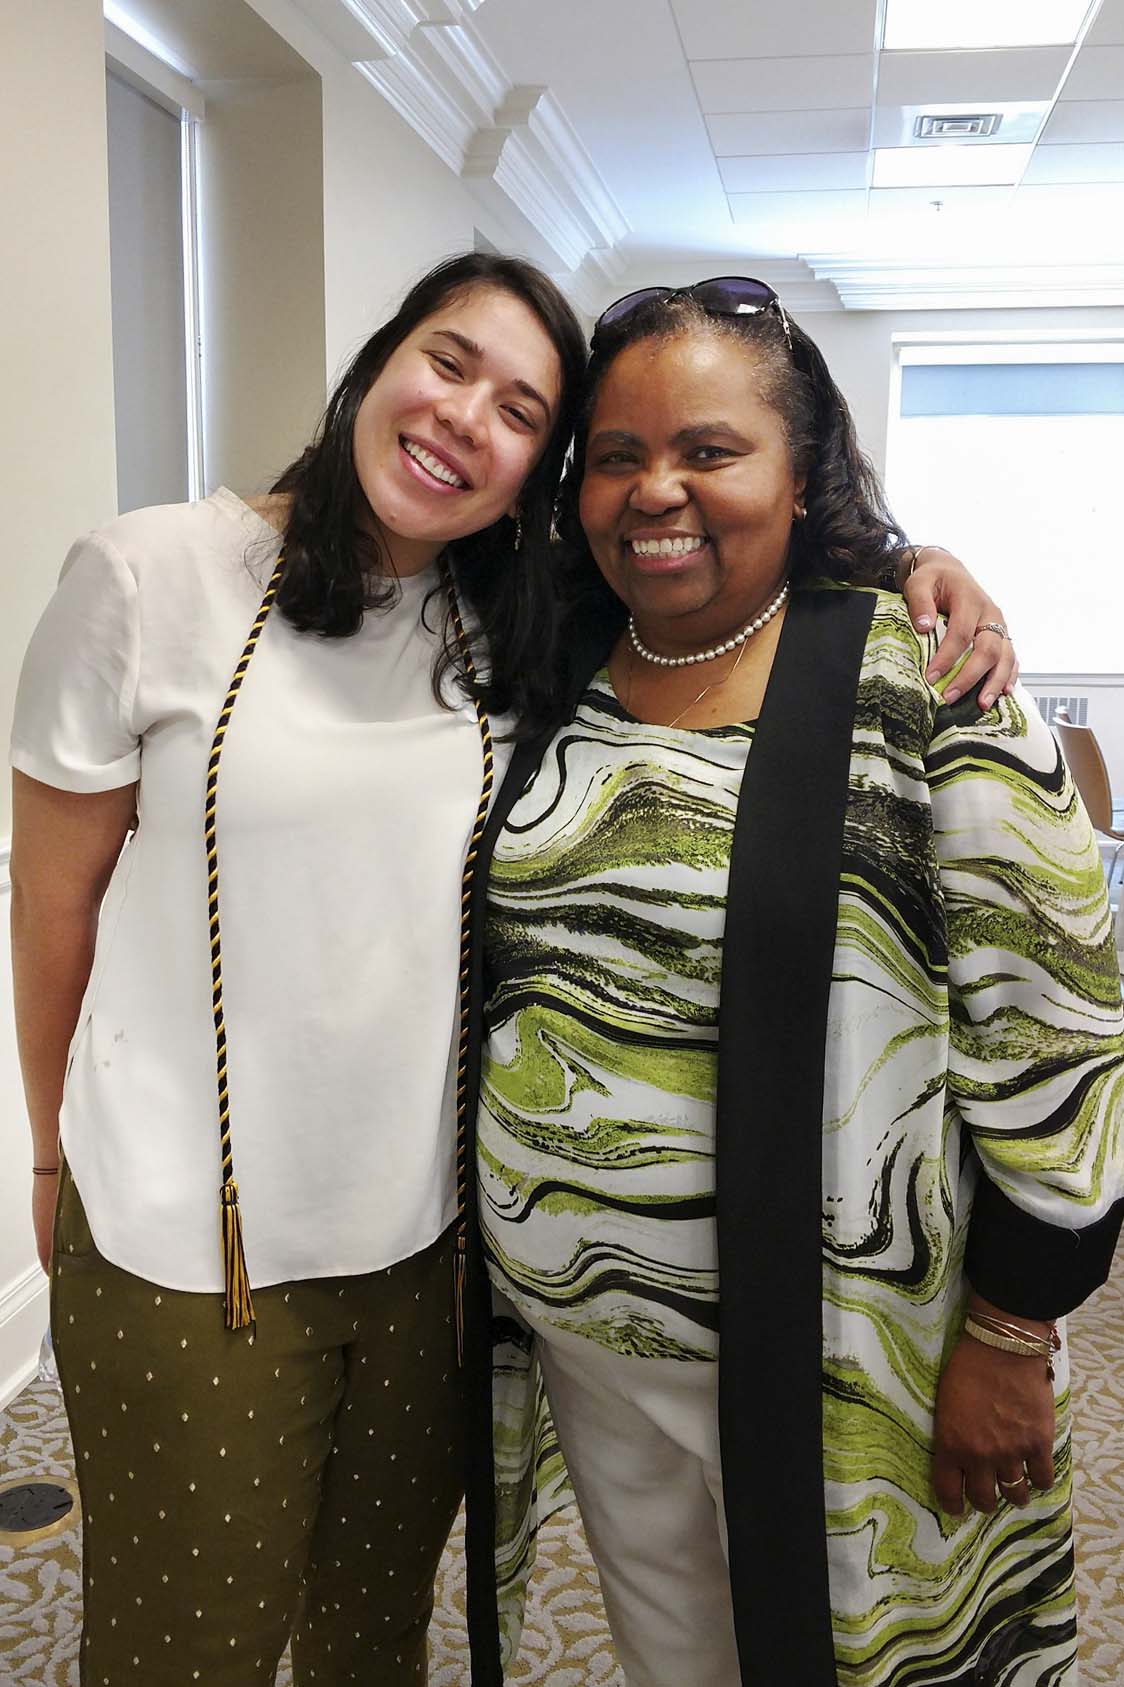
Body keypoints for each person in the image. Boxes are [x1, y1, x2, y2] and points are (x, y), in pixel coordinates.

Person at [11, 249, 1008, 1686]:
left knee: (375, 1646)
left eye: (525, 408)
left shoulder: (522, 621)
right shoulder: (150, 573)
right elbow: (54, 910)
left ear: (537, 472)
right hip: (189, 1243)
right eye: (450, 361)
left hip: (437, 1261)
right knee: (186, 1654)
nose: (469, 416)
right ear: (380, 361)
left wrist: (905, 561)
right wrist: (45, 1160)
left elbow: (725, 565)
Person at [458, 279, 1124, 1687]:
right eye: (619, 454)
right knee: (678, 1652)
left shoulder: (928, 679)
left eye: (709, 450)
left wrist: (1015, 1328)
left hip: (842, 1354)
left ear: (803, 469)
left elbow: (1060, 1033)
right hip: (591, 1346)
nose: (657, 491)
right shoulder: (560, 663)